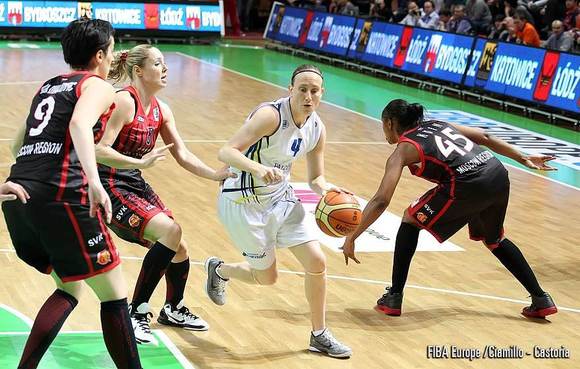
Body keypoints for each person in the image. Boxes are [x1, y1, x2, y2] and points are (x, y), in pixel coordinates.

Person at [2, 19, 142, 368]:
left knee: (70, 288)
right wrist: (95, 183)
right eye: (110, 50)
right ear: (100, 55)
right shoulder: (97, 85)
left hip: (20, 195)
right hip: (61, 196)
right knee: (114, 295)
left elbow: (16, 144)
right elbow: (79, 123)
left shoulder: (48, 86)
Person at [341, 99, 558, 320]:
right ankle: (541, 298)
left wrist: (352, 237)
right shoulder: (439, 124)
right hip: (496, 173)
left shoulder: (403, 150)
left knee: (410, 219)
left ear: (388, 123)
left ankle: (394, 297)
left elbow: (381, 200)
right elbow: (485, 137)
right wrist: (523, 157)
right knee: (494, 239)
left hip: (467, 183)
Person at [204, 64, 352, 358]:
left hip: (281, 198)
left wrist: (331, 192)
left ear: (322, 94)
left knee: (317, 260)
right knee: (267, 278)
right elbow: (227, 151)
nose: (308, 96)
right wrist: (259, 169)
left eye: (314, 90)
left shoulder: (317, 127)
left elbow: (315, 179)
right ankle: (219, 269)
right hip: (242, 201)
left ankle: (319, 334)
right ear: (290, 89)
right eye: (302, 89)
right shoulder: (270, 116)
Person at [96, 44, 235, 345]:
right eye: (158, 63)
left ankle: (172, 308)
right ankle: (136, 312)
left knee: (179, 247)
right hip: (107, 185)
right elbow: (99, 150)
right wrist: (139, 162)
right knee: (171, 232)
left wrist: (214, 174)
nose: (165, 68)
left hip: (132, 180)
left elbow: (182, 154)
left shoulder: (162, 110)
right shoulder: (123, 101)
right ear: (138, 71)